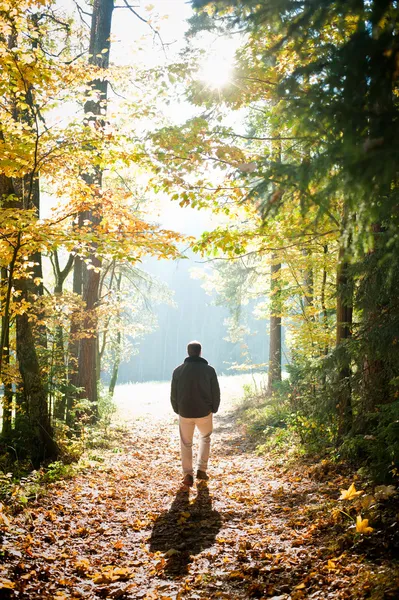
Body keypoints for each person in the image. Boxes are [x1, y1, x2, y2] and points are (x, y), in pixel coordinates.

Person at [171, 341, 220, 487]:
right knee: (205, 438)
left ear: (188, 352)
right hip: (204, 412)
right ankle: (201, 469)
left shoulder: (178, 371)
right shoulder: (209, 370)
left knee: (186, 443)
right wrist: (214, 408)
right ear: (200, 352)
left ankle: (187, 474)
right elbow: (215, 392)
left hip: (185, 412)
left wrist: (177, 409)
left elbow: (173, 394)